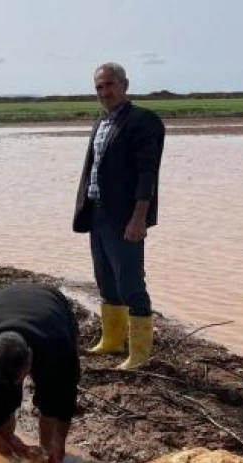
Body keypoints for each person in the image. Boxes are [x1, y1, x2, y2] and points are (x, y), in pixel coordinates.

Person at [72, 62, 166, 370]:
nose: (104, 92)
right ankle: (112, 340)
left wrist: (139, 218)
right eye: (99, 87)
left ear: (124, 86)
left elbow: (147, 174)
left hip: (126, 218)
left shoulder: (142, 121)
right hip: (98, 214)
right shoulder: (101, 121)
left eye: (110, 85)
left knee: (130, 284)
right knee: (106, 281)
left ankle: (139, 354)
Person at [0, 283, 80, 463]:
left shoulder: (57, 347)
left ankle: (48, 455)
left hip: (50, 304)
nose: (19, 384)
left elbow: (64, 400)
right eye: (10, 381)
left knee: (52, 399)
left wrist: (59, 440)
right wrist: (10, 440)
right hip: (3, 300)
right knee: (1, 406)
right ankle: (5, 461)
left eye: (22, 376)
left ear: (30, 355)